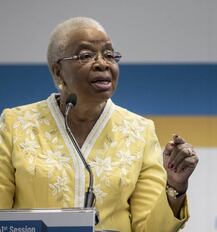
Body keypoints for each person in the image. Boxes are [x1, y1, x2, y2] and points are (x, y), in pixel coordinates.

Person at [0, 17, 198, 232]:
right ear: (58, 71)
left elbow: (150, 229)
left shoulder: (140, 131)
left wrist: (175, 186)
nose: (102, 63)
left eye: (109, 55)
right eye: (86, 55)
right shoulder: (16, 124)